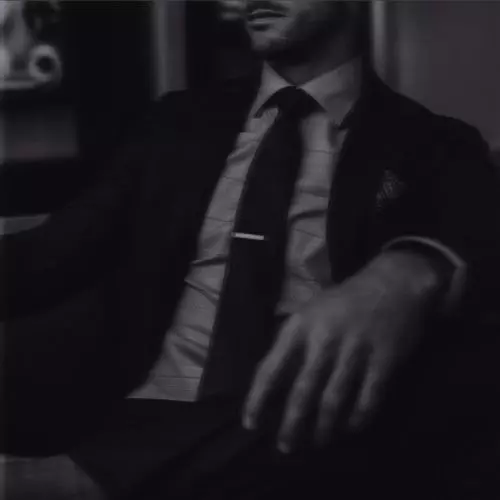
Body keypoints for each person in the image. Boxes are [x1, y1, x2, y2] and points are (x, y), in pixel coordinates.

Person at [2, 1, 500, 498]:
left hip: (300, 428)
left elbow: (477, 233)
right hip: (143, 408)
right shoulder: (175, 122)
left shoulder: (432, 142)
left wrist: (411, 268)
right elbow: (47, 255)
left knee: (321, 405)